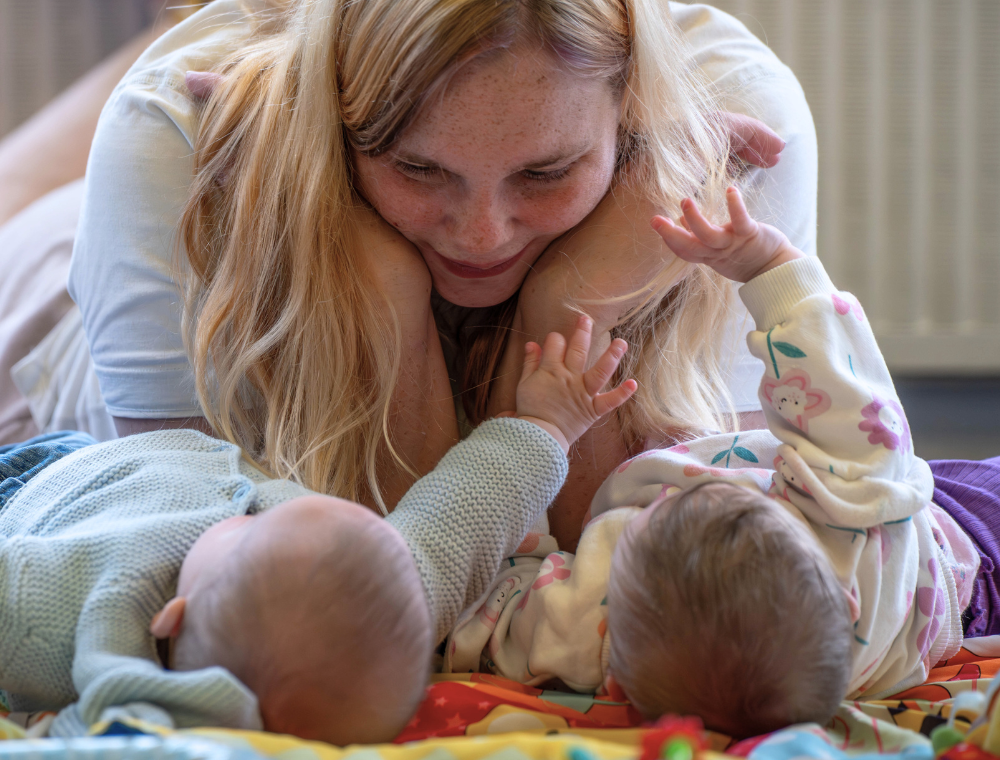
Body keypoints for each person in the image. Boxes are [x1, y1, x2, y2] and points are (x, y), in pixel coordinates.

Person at [3, 0, 816, 550]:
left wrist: (574, 305)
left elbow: (668, 553)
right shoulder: (165, 140)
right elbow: (221, 571)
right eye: (417, 167)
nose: (481, 234)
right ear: (338, 122)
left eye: (546, 172)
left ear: (628, 114)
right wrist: (373, 287)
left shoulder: (731, 134)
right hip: (45, 298)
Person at [444, 186, 996, 741]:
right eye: (755, 501)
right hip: (960, 550)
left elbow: (490, 601)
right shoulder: (849, 521)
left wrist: (541, 433)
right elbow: (848, 396)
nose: (711, 486)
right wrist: (771, 266)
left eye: (671, 513)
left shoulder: (578, 629)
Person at [0, 315, 636, 743]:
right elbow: (455, 522)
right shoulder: (380, 609)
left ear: (174, 616)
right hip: (117, 461)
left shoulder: (59, 611)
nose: (263, 509)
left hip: (39, 488)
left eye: (251, 533)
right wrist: (547, 426)